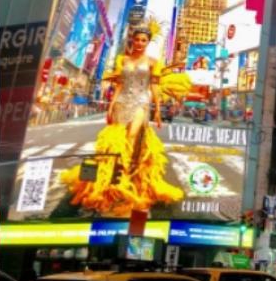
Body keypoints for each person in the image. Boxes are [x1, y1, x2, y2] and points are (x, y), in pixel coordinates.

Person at [58, 20, 190, 215]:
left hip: (141, 104)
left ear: (148, 42)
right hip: (122, 103)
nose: (139, 43)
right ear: (132, 40)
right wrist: (111, 106)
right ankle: (115, 181)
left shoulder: (153, 62)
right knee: (116, 142)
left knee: (131, 138)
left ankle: (126, 177)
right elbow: (119, 85)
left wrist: (158, 110)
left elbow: (154, 86)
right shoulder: (123, 60)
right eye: (137, 39)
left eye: (143, 40)